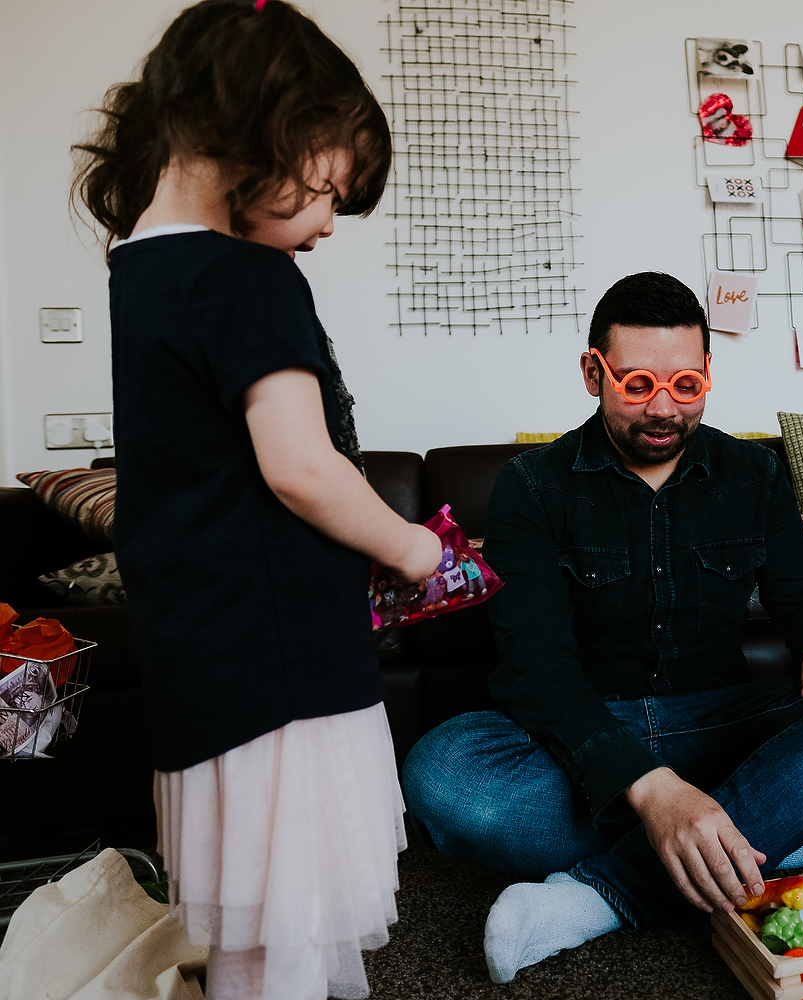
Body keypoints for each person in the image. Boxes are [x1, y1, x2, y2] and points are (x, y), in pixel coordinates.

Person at [401, 271, 803, 983]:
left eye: (685, 386)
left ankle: (605, 896)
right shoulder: (532, 484)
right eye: (637, 386)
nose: (663, 409)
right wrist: (651, 789)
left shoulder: (754, 473)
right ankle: (790, 826)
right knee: (446, 775)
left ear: (709, 374)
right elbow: (535, 665)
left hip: (721, 723)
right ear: (594, 372)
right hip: (586, 736)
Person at [74, 3, 441, 998]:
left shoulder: (141, 261)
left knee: (249, 910)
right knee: (300, 902)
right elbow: (301, 466)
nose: (327, 224)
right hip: (284, 657)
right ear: (254, 133)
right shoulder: (247, 275)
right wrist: (412, 546)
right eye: (326, 189)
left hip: (202, 645)